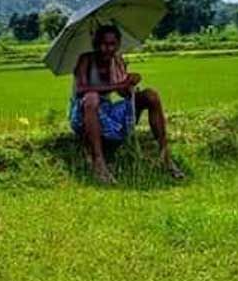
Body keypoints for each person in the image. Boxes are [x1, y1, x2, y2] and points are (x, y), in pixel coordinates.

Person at [70, 24, 184, 184]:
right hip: (84, 111)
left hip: (107, 110)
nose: (107, 49)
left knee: (151, 95)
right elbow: (81, 89)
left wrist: (130, 80)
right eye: (103, 44)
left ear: (117, 45)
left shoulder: (117, 61)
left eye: (112, 44)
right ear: (96, 44)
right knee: (92, 98)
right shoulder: (86, 60)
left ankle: (165, 155)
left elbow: (124, 94)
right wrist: (117, 86)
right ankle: (98, 162)